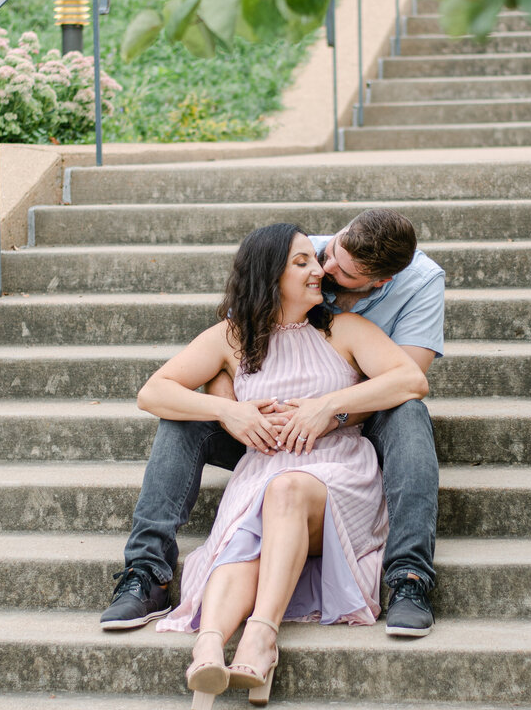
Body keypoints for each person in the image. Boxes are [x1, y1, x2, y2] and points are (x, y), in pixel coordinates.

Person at [102, 206, 444, 638]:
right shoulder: (292, 262)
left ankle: (409, 579)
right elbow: (155, 391)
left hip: (351, 433)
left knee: (409, 413)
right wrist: (229, 410)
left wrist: (326, 410)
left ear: (379, 282)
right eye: (318, 257)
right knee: (179, 419)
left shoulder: (396, 299)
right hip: (262, 444)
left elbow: (407, 381)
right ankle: (147, 572)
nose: (323, 268)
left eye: (336, 268)